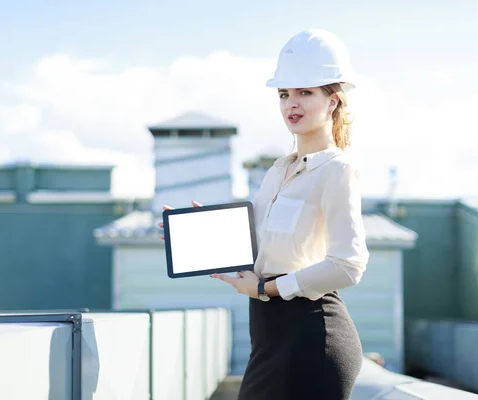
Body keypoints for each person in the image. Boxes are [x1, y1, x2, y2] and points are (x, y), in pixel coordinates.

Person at [158, 29, 369, 400]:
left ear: (333, 101)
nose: (292, 103)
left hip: (313, 337)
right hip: (270, 336)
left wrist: (264, 289)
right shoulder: (277, 170)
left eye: (305, 92)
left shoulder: (337, 168)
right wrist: (205, 237)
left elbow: (348, 265)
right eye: (285, 94)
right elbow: (267, 251)